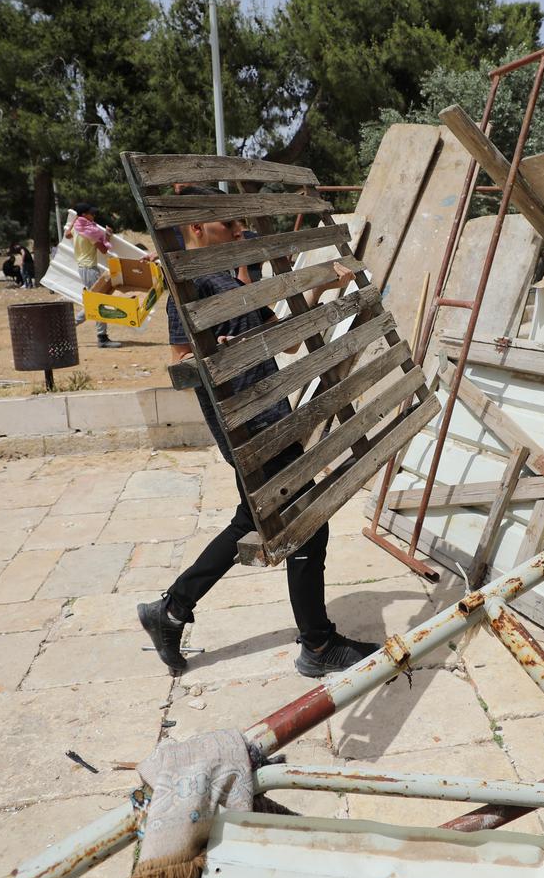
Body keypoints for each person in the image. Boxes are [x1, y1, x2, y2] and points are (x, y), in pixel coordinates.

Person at [137, 191, 374, 679]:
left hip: (269, 415)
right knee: (307, 519)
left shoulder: (232, 280)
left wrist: (325, 290)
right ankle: (318, 643)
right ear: (198, 230)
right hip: (246, 426)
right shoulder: (190, 289)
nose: (240, 232)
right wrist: (216, 356)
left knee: (253, 519)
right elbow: (181, 361)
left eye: (243, 226)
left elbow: (284, 338)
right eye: (230, 225)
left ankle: (171, 610)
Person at [65, 204, 121, 347]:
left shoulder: (77, 227)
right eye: (91, 213)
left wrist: (73, 222)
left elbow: (67, 234)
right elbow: (103, 250)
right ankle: (100, 337)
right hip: (90, 269)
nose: (94, 216)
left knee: (95, 302)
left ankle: (69, 327)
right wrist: (107, 236)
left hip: (84, 268)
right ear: (84, 214)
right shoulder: (89, 232)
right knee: (97, 302)